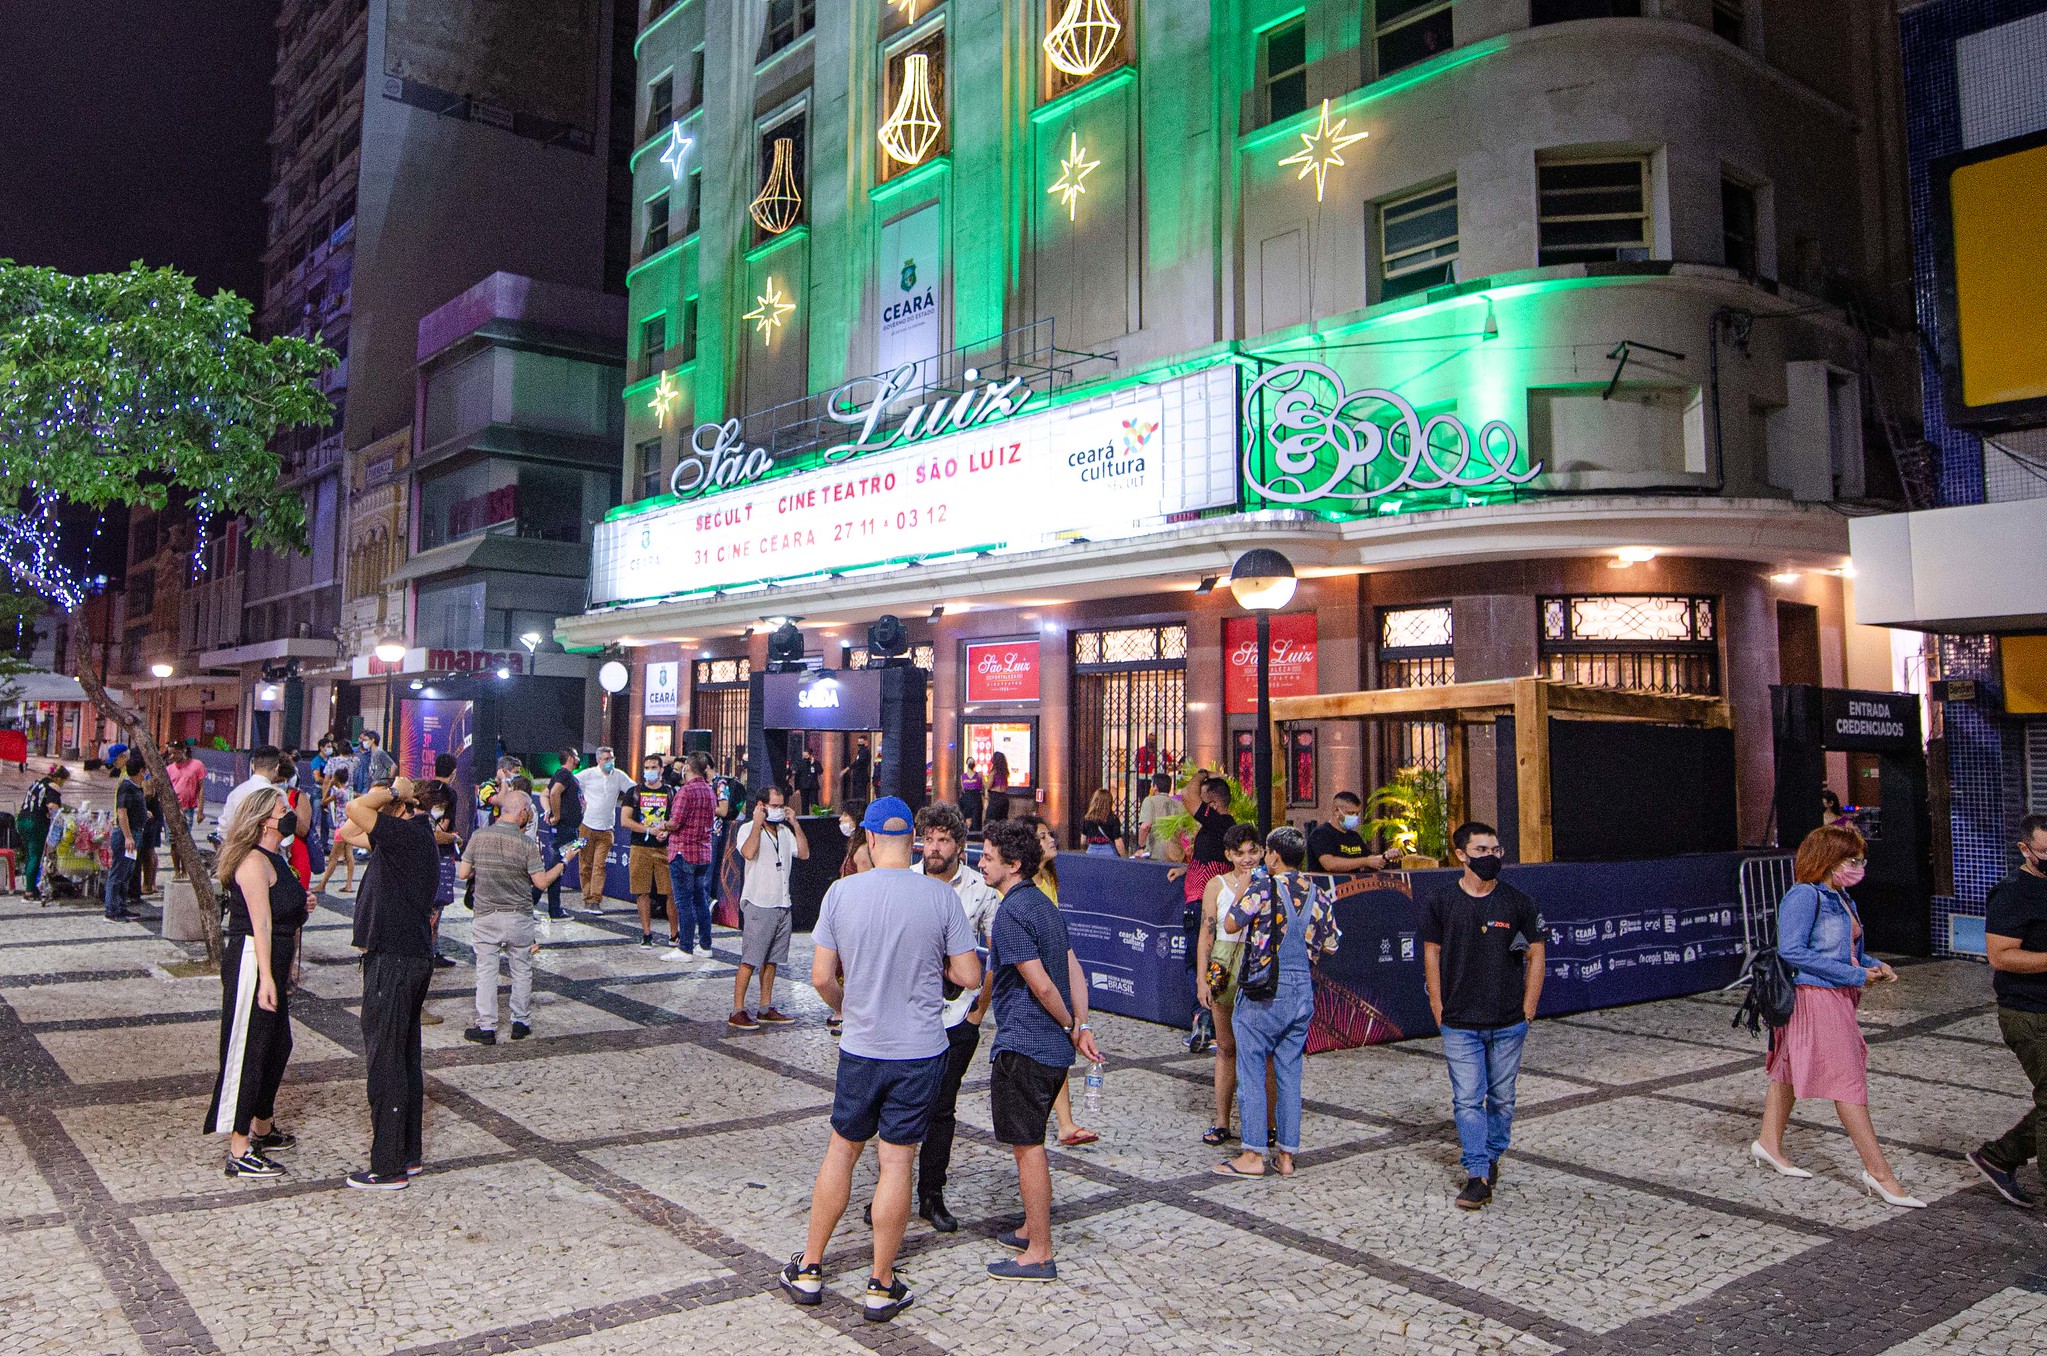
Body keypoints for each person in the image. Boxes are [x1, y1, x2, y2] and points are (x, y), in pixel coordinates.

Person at [780, 797, 979, 1323]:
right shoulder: (939, 898)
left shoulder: (841, 893)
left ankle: (810, 1267)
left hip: (861, 1047)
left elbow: (822, 977)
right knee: (897, 1161)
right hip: (920, 1050)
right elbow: (970, 976)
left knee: (842, 1150)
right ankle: (880, 1283)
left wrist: (849, 1009)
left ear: (867, 839)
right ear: (913, 839)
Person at [1752, 823, 1920, 1206]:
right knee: (1848, 1079)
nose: (1859, 866)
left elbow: (1850, 952)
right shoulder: (1804, 896)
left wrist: (1874, 966)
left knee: (1788, 1068)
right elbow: (1791, 951)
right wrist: (1855, 974)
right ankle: (1879, 1173)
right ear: (1827, 859)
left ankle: (1768, 1142)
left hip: (1841, 994)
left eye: (1861, 859)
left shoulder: (1843, 898)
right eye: (1851, 859)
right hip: (1814, 997)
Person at [979, 816, 1103, 1282]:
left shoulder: (1010, 913)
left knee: (1027, 1146)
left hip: (1026, 1044)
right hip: (1050, 1048)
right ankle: (1032, 1227)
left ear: (1013, 864)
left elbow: (1044, 985)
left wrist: (1071, 1024)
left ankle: (1040, 1251)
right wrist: (1080, 1026)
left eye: (989, 857)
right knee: (1028, 1141)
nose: (982, 863)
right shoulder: (1044, 904)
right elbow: (1074, 973)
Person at [1420, 822, 1544, 1210]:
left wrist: (1529, 1008)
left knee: (1503, 1099)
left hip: (1508, 1021)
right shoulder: (1442, 901)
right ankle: (1477, 1172)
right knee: (1467, 1099)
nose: (1490, 856)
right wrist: (1438, 1007)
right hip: (1459, 1022)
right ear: (1461, 855)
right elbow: (1431, 953)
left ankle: (1491, 1156)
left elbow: (1536, 953)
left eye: (1495, 849)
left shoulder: (1518, 901)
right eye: (1481, 849)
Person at [1214, 826, 1339, 1181]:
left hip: (1263, 992)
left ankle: (1253, 1153)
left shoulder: (1263, 887)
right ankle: (1286, 1156)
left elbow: (1231, 921)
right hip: (1302, 994)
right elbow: (1330, 945)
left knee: (1252, 1071)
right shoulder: (1318, 892)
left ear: (1274, 856)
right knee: (1290, 1074)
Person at [204, 787, 310, 1180]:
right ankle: (238, 1147)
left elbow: (281, 910)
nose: (289, 813)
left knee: (279, 1044)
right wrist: (266, 977)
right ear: (265, 819)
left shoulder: (275, 857)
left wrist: (302, 905)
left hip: (272, 963)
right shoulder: (251, 861)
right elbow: (260, 923)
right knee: (248, 1051)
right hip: (252, 962)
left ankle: (262, 1124)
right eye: (283, 808)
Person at [344, 777, 441, 1190]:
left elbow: (354, 811)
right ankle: (408, 1155)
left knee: (386, 1061)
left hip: (395, 958)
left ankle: (387, 1167)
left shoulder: (408, 836)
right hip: (405, 955)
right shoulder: (404, 838)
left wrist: (394, 792)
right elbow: (347, 831)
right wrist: (386, 800)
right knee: (402, 1058)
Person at [911, 802, 1001, 1231]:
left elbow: (999, 951)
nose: (933, 847)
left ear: (960, 846)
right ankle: (888, 1192)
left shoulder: (979, 890)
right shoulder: (904, 882)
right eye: (928, 839)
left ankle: (932, 1194)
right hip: (910, 1016)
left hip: (957, 1017)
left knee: (942, 1110)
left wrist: (978, 1011)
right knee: (901, 1107)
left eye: (943, 839)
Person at [1969, 812, 2047, 1208]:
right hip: (2030, 1014)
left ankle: (1998, 1158)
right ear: (2025, 849)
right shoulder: (2014, 891)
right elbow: (2001, 956)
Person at [458, 788, 568, 1045]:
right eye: (528, 810)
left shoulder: (479, 836)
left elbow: (463, 873)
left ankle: (486, 1027)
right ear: (521, 813)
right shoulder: (526, 844)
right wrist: (561, 866)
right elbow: (540, 883)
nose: (529, 815)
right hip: (519, 917)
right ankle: (520, 1022)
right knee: (521, 969)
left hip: (486, 915)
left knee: (486, 971)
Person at [1020, 816, 1096, 1146]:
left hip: (1055, 970)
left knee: (1058, 1046)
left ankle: (1064, 1122)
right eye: (1042, 836)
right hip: (1038, 976)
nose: (1051, 839)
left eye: (1050, 834)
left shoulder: (1049, 878)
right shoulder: (1026, 887)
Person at [1196, 823, 1264, 1145]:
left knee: (1263, 1049)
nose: (1247, 858)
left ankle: (1269, 1124)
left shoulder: (1268, 882)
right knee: (1226, 1045)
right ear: (1228, 855)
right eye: (1240, 853)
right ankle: (1222, 1121)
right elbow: (1206, 932)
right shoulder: (1216, 885)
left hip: (1258, 963)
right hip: (1224, 962)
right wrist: (1201, 976)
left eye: (1253, 851)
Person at [730, 784, 810, 1029]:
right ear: (762, 806)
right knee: (750, 959)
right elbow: (749, 852)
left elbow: (804, 853)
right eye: (774, 805)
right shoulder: (746, 829)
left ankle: (765, 1006)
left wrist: (795, 823)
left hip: (782, 903)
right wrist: (756, 823)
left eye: (781, 805)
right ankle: (737, 1010)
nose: (778, 810)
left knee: (772, 960)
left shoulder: (785, 833)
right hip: (759, 903)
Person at [665, 752, 718, 962]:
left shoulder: (686, 792)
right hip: (703, 853)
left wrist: (663, 826)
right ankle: (705, 945)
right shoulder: (709, 791)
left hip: (683, 852)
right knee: (700, 900)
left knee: (683, 902)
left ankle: (685, 947)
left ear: (687, 766)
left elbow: (675, 822)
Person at [621, 754, 679, 949]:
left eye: (654, 767)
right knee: (642, 892)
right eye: (647, 767)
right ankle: (646, 934)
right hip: (640, 847)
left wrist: (666, 831)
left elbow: (678, 819)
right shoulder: (634, 792)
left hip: (665, 848)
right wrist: (648, 830)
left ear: (662, 770)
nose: (650, 770)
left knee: (670, 892)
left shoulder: (671, 792)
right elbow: (625, 820)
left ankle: (674, 934)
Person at [574, 746, 635, 916]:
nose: (610, 762)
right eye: (606, 759)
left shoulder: (619, 776)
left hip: (607, 828)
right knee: (585, 864)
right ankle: (587, 897)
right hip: (586, 826)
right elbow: (570, 783)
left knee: (599, 865)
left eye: (612, 758)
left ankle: (595, 900)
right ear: (599, 760)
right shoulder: (587, 775)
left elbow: (633, 790)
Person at [1308, 791, 1403, 874]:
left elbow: (1370, 859)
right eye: (1350, 813)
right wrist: (1365, 861)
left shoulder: (1354, 837)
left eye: (1357, 814)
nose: (1354, 817)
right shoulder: (1321, 833)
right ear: (1336, 810)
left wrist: (1386, 856)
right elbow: (1330, 864)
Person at [104, 752, 148, 921]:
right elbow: (122, 813)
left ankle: (121, 906)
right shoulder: (127, 787)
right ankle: (111, 910)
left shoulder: (137, 787)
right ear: (141, 771)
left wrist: (145, 813)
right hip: (125, 836)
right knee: (117, 872)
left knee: (127, 873)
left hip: (136, 832)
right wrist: (128, 837)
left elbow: (131, 810)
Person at [16, 763, 68, 901]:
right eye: (64, 781)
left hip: (22, 820)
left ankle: (30, 885)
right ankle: (29, 893)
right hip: (35, 823)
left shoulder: (37, 783)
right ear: (59, 779)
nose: (63, 784)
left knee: (29, 854)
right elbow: (52, 805)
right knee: (35, 856)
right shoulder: (53, 786)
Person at [218, 745, 285, 837]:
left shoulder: (236, 792)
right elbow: (285, 830)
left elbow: (224, 827)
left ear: (253, 766)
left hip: (236, 847)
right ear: (277, 768)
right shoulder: (277, 794)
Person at [1136, 772, 1179, 860]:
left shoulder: (1149, 801)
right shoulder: (1178, 804)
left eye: (1151, 785)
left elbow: (1145, 826)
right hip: (1175, 854)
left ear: (1155, 787)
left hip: (1155, 853)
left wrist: (1141, 847)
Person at [168, 741, 207, 830]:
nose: (172, 756)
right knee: (171, 838)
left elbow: (201, 789)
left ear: (183, 751)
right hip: (172, 808)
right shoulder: (169, 769)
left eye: (175, 753)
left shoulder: (197, 765)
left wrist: (200, 811)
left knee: (185, 835)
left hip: (188, 808)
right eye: (170, 754)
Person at [1077, 788, 1127, 857]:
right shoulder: (1113, 819)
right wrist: (1124, 857)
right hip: (1109, 852)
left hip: (1091, 851)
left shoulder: (1087, 818)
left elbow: (1083, 841)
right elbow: (1118, 842)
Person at [985, 750, 1011, 824]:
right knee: (1002, 822)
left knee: (990, 821)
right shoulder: (1005, 772)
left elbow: (988, 786)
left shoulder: (993, 772)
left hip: (995, 798)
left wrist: (983, 779)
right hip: (1004, 798)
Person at [960, 759, 984, 831]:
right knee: (966, 818)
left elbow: (982, 786)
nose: (971, 763)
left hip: (976, 797)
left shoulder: (978, 775)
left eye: (972, 762)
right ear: (967, 763)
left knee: (976, 819)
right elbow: (963, 788)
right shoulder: (963, 776)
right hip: (967, 797)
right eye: (969, 762)